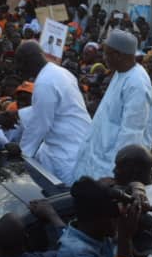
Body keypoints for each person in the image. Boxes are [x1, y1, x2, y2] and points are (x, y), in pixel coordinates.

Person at [74, 30, 152, 181]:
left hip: (110, 173)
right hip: (97, 166)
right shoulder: (120, 73)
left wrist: (117, 176)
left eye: (106, 54)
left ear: (118, 55)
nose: (104, 58)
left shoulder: (137, 83)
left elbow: (131, 135)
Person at [11, 40, 92, 184]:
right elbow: (58, 109)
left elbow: (40, 124)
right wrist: (16, 115)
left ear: (27, 61)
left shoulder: (44, 83)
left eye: (19, 63)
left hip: (66, 155)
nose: (18, 68)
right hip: (79, 147)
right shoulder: (60, 72)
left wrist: (21, 152)